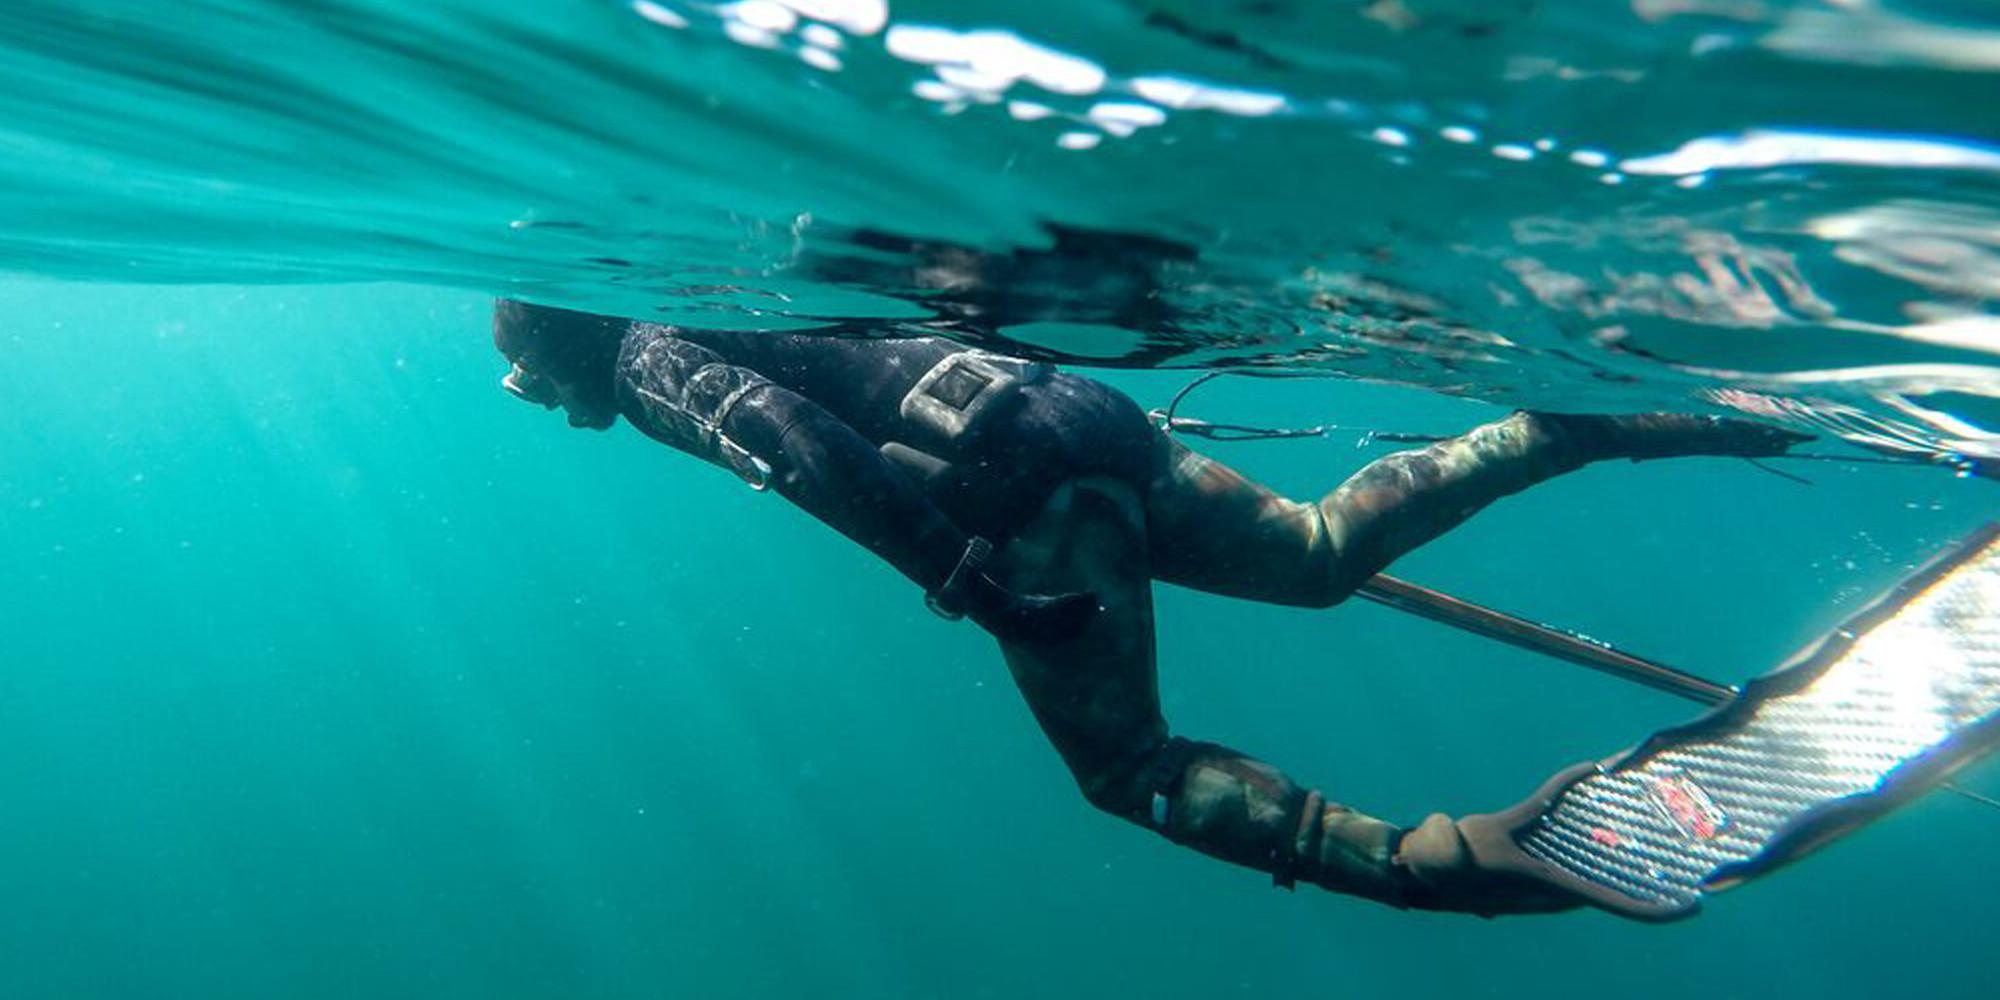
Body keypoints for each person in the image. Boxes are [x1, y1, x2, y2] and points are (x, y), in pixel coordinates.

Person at [491, 299, 1808, 916]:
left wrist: (966, 577)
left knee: (1123, 769)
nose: (534, 399)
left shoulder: (645, 353)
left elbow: (790, 442)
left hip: (1018, 495)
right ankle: (1565, 433)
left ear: (555, 344)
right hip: (1071, 412)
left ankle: (1444, 864)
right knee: (1316, 551)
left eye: (524, 373)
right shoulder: (717, 281)